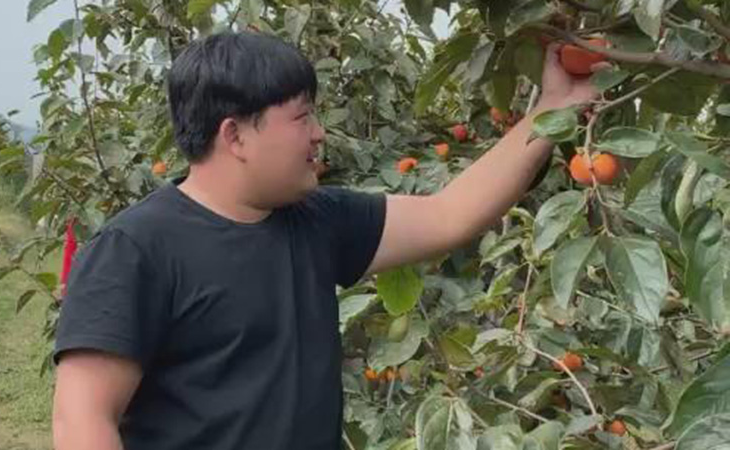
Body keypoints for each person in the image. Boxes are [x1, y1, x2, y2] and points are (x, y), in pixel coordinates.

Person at [52, 31, 604, 450]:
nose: (319, 133)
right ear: (235, 135)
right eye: (302, 117)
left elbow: (449, 215)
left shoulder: (317, 221)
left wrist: (553, 107)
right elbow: (82, 420)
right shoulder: (136, 250)